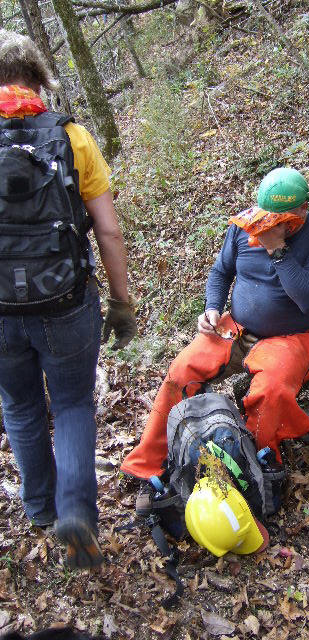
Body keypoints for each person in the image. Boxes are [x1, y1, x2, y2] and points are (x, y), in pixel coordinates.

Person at [122, 166, 309, 514]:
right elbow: (221, 271)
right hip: (235, 327)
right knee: (181, 371)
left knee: (271, 393)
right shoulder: (245, 227)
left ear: (302, 210)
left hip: (289, 336)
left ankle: (257, 469)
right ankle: (151, 463)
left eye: (281, 220)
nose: (269, 225)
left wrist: (278, 249)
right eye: (266, 217)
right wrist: (212, 308)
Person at [0, 31, 137, 568]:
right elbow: (108, 231)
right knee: (74, 403)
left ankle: (40, 508)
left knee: (20, 405)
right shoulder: (72, 138)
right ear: (38, 79)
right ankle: (76, 510)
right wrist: (121, 303)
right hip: (65, 302)